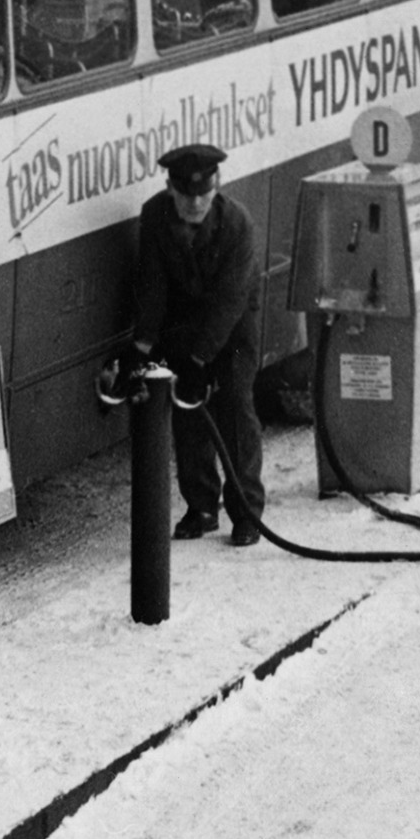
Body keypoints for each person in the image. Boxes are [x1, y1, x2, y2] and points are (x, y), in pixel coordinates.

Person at [127, 143, 264, 544]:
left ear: (217, 186)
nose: (196, 204)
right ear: (171, 188)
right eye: (187, 196)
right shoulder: (155, 216)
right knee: (187, 413)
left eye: (204, 195)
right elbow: (152, 285)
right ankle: (201, 507)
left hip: (234, 327)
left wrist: (201, 358)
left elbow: (230, 301)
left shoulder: (237, 223)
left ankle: (246, 513)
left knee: (235, 409)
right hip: (184, 325)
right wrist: (141, 347)